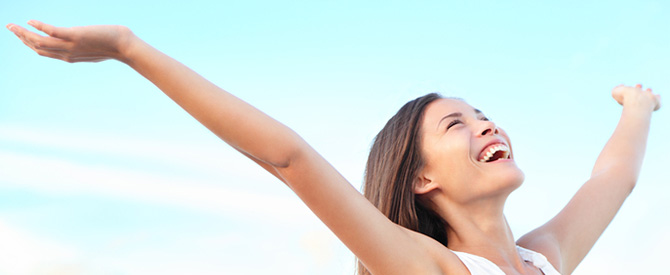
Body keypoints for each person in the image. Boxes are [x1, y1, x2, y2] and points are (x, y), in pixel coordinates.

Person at [6, 20, 661, 275]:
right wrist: (131, 50)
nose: (487, 125)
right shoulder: (431, 269)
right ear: (421, 180)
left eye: (484, 114)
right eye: (456, 124)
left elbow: (616, 177)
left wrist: (639, 106)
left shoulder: (539, 261)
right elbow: (289, 157)